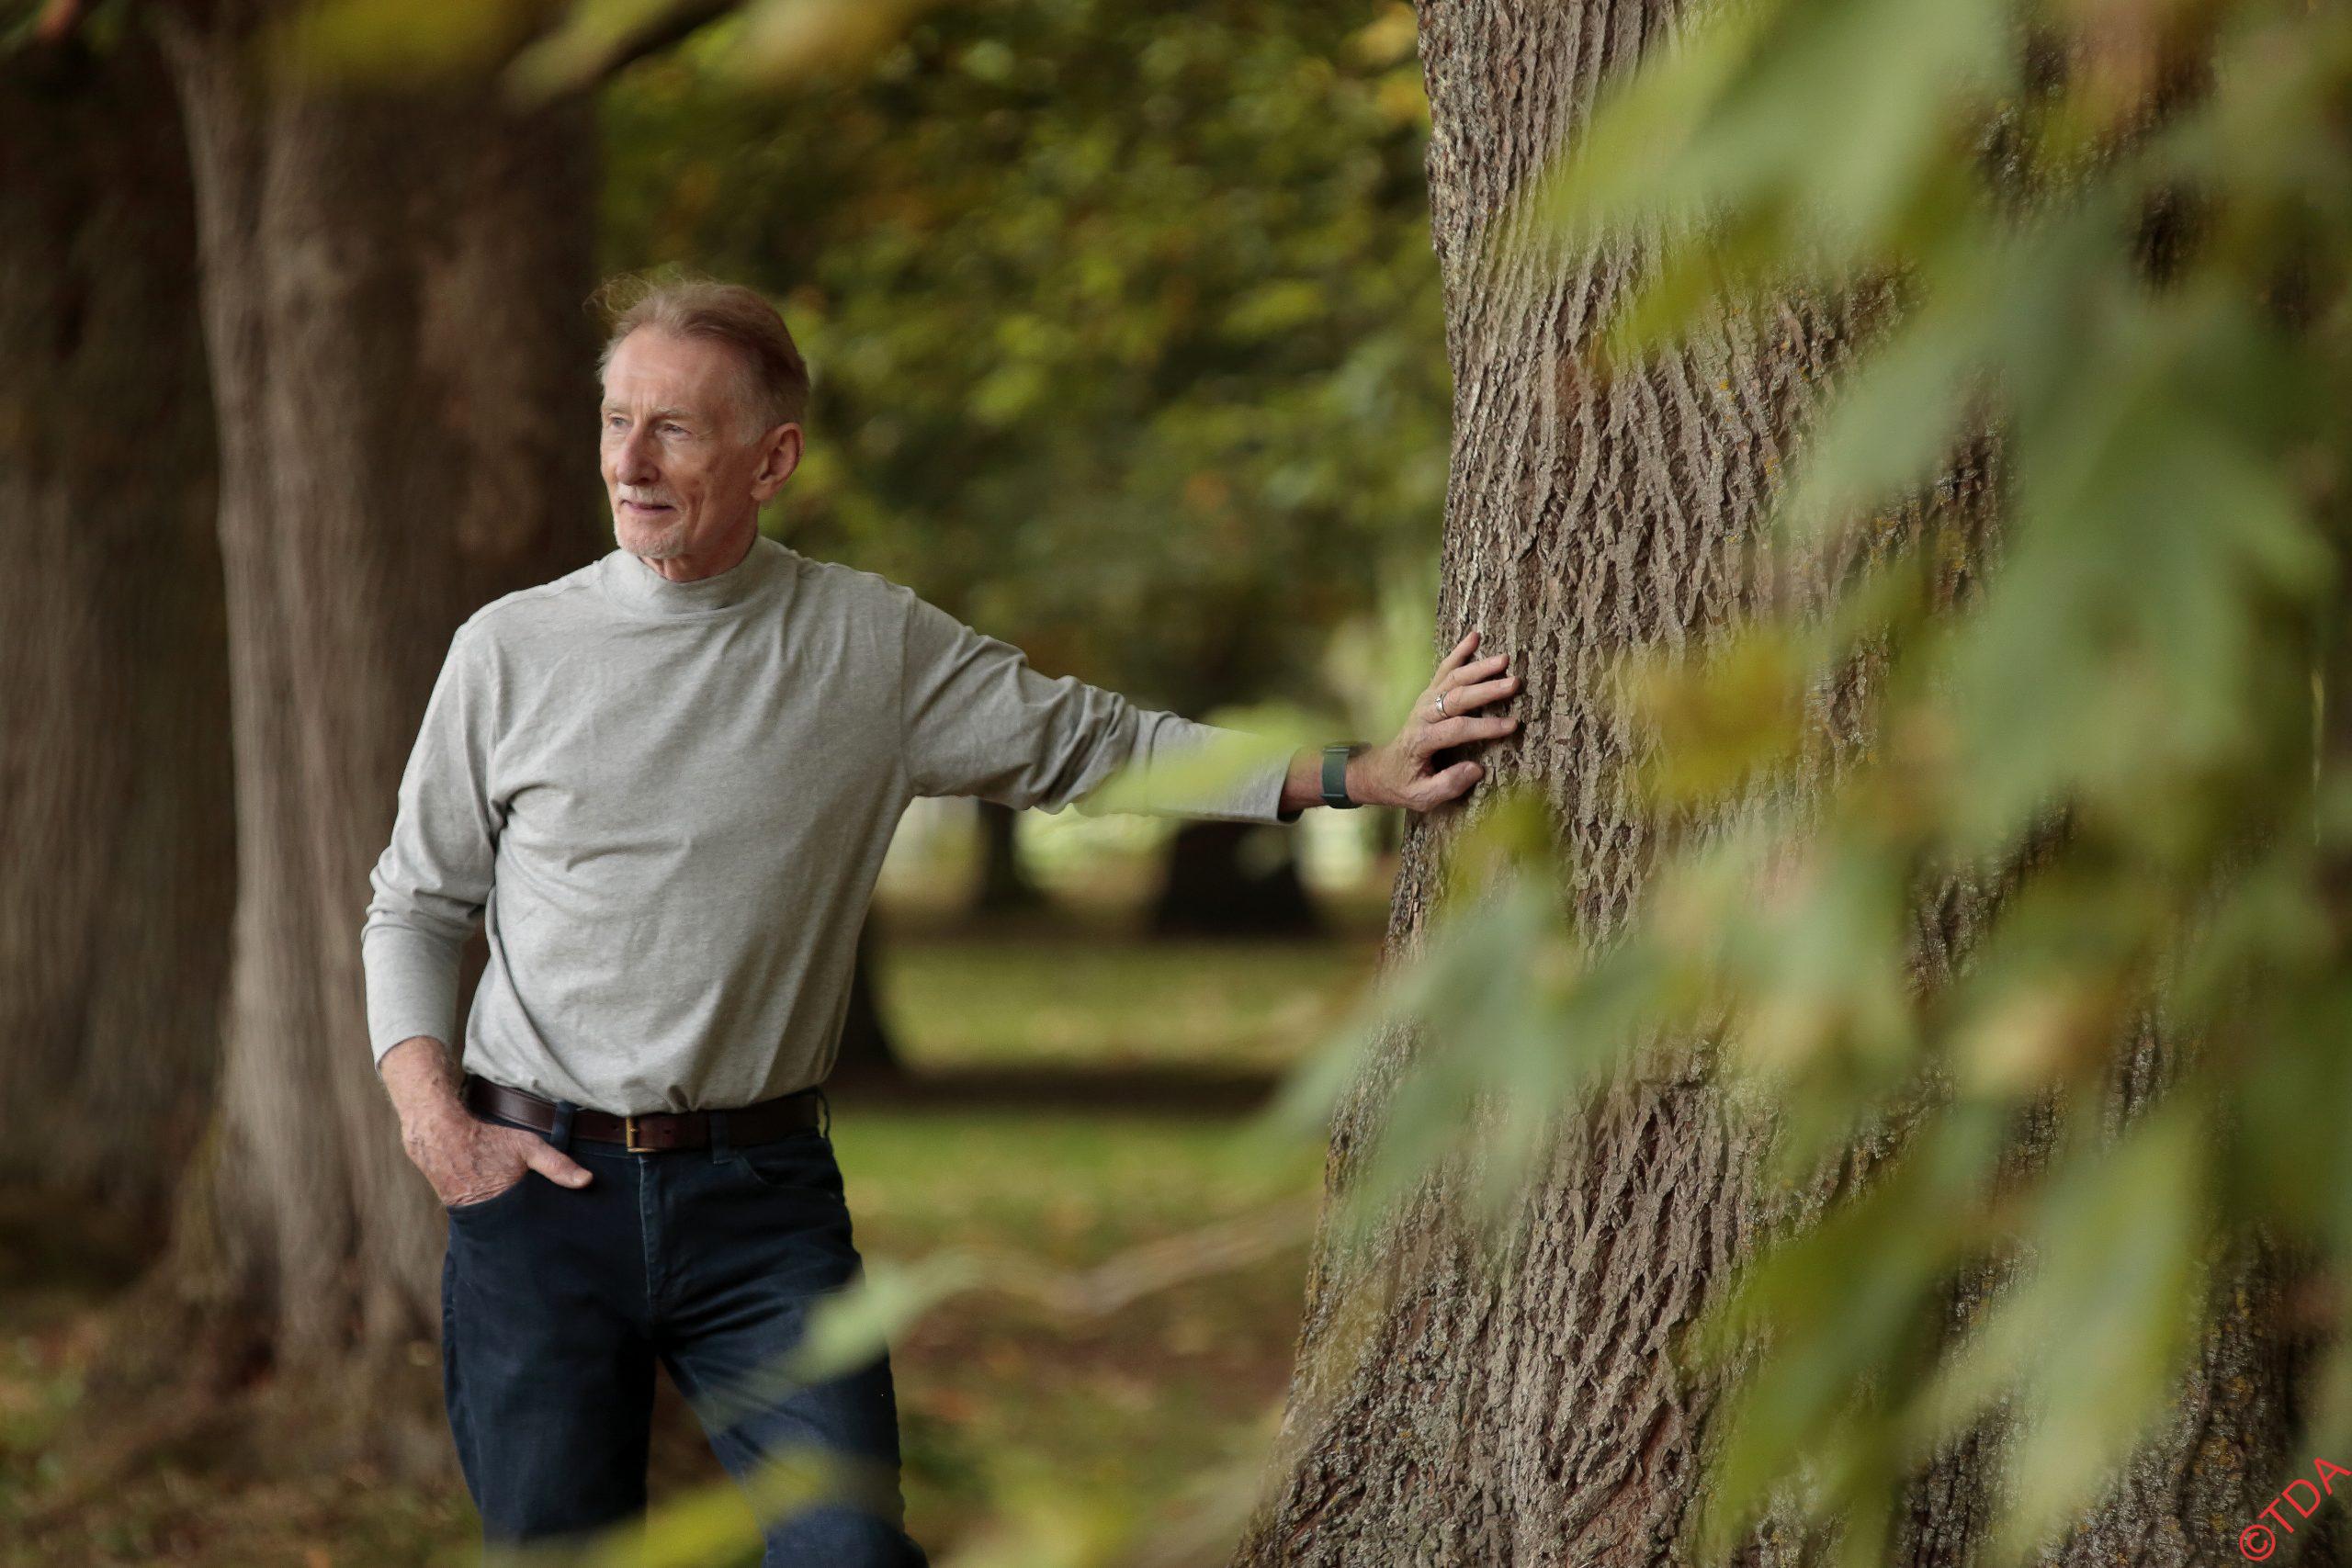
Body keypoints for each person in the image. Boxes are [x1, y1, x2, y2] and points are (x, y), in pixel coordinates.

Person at [360, 276, 1521, 1566]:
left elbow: (1101, 746)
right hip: (538, 1195)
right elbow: (416, 901)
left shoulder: (869, 646)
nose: (630, 461)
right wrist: (435, 1125)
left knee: (849, 1555)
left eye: (676, 429)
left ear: (774, 457)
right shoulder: (509, 651)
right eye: (616, 421)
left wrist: (1355, 774)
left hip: (759, 1202)